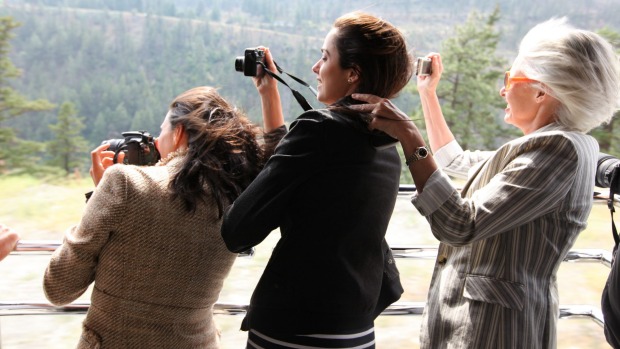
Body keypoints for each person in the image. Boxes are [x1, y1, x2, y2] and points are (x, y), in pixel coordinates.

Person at [351, 18, 620, 349]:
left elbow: (460, 224)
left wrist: (410, 137)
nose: (503, 89)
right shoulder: (550, 145)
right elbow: (455, 162)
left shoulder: (558, 150)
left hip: (493, 329)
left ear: (541, 91)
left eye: (510, 78)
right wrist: (427, 93)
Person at [221, 11, 412, 349]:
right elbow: (310, 172)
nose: (315, 67)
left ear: (353, 74)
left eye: (325, 56)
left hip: (295, 328)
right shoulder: (385, 145)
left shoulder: (320, 130)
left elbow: (238, 230)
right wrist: (270, 95)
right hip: (355, 329)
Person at [44, 86, 270, 348]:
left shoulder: (124, 183)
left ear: (179, 133)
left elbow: (59, 289)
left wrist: (98, 196)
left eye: (162, 130)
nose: (157, 140)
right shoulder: (237, 198)